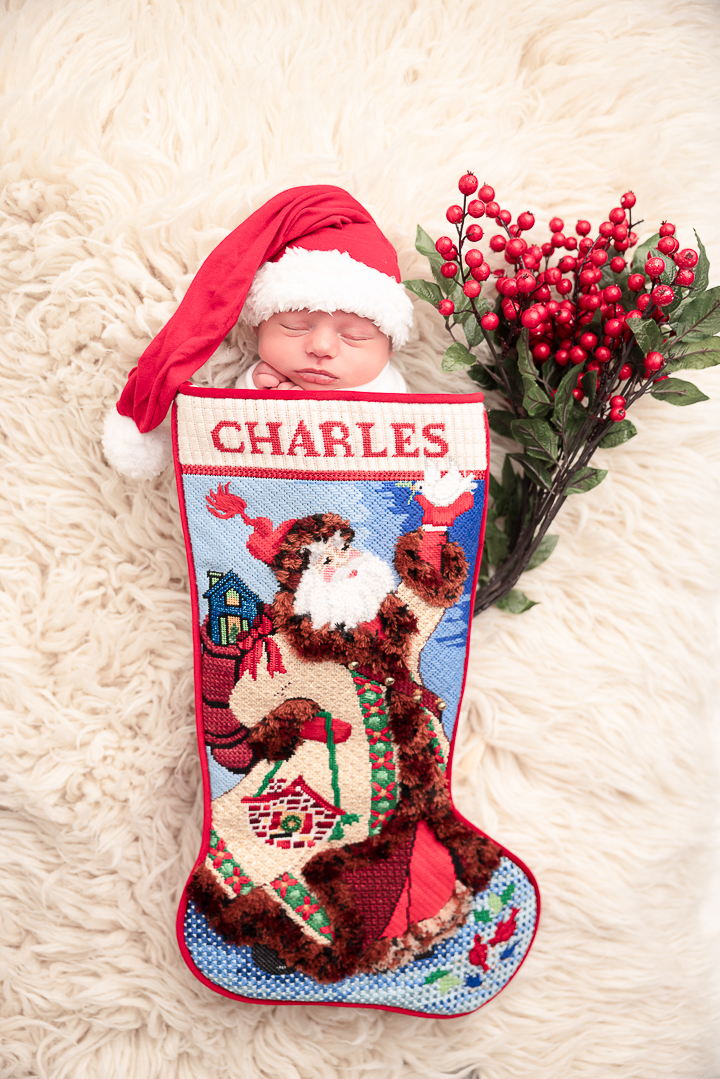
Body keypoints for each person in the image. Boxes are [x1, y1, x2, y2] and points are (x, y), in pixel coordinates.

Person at [103, 185, 412, 477]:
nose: (320, 346)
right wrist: (253, 387)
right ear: (257, 329)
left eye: (354, 336)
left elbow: (391, 436)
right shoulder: (270, 380)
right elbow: (239, 430)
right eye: (295, 327)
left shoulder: (389, 388)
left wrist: (316, 405)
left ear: (390, 350)